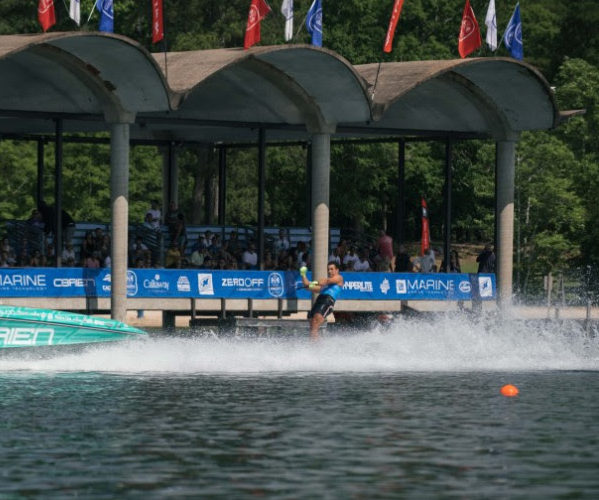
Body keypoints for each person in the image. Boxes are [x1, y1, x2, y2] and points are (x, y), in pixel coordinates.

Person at [301, 261, 344, 340]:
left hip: (328, 301)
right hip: (319, 300)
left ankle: (316, 349)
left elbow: (326, 281)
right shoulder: (324, 287)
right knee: (312, 325)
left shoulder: (339, 278)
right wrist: (303, 274)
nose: (329, 271)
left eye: (331, 269)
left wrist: (315, 282)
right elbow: (307, 286)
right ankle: (316, 346)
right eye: (328, 269)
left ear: (337, 270)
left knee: (314, 325)